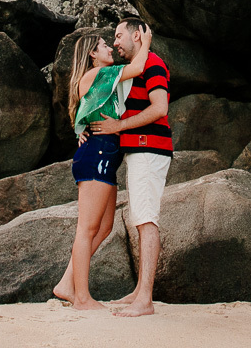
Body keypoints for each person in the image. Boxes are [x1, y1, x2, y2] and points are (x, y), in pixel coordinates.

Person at [52, 23, 153, 310]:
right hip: (97, 156)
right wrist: (145, 41)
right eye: (105, 45)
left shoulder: (98, 77)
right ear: (93, 55)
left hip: (104, 157)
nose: (111, 48)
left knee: (105, 226)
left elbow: (85, 112)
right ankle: (81, 298)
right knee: (87, 228)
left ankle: (66, 283)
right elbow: (138, 67)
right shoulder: (98, 73)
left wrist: (78, 129)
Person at [89, 16, 171, 317]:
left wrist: (119, 127)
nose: (115, 41)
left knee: (146, 220)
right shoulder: (134, 68)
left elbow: (160, 107)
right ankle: (139, 291)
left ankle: (145, 299)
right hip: (140, 150)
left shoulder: (153, 64)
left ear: (137, 36)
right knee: (141, 218)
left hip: (150, 148)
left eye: (119, 34)